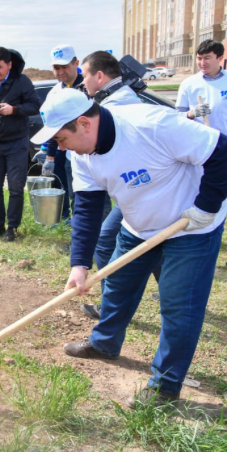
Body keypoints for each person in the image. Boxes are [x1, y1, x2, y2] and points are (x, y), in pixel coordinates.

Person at [33, 88, 227, 407]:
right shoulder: (80, 154)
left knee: (179, 307)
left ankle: (165, 388)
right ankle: (104, 344)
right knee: (117, 286)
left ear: (84, 124)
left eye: (60, 139)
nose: (59, 147)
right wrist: (79, 264)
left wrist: (206, 207)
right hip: (138, 227)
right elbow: (86, 207)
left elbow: (225, 150)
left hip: (191, 228)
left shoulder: (151, 125)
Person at [78, 50, 145, 320]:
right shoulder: (112, 99)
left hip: (141, 188)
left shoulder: (119, 105)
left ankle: (112, 305)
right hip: (133, 188)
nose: (83, 83)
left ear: (100, 76)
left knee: (106, 240)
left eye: (85, 76)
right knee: (153, 248)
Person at [176, 39, 227, 252]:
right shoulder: (189, 84)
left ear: (220, 58)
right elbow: (176, 117)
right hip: (200, 148)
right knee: (199, 192)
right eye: (199, 58)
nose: (202, 63)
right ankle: (200, 233)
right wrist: (192, 113)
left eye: (207, 58)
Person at [0, 48, 41, 239]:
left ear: (9, 65)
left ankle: (12, 227)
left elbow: (35, 105)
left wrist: (14, 109)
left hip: (17, 143)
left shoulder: (22, 81)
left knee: (15, 187)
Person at [42, 45, 85, 218]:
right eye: (56, 68)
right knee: (63, 189)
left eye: (64, 66)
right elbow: (52, 126)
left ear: (76, 63)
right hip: (63, 151)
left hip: (83, 152)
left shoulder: (86, 88)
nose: (60, 72)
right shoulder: (55, 92)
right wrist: (50, 156)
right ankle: (68, 223)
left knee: (80, 194)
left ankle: (81, 230)